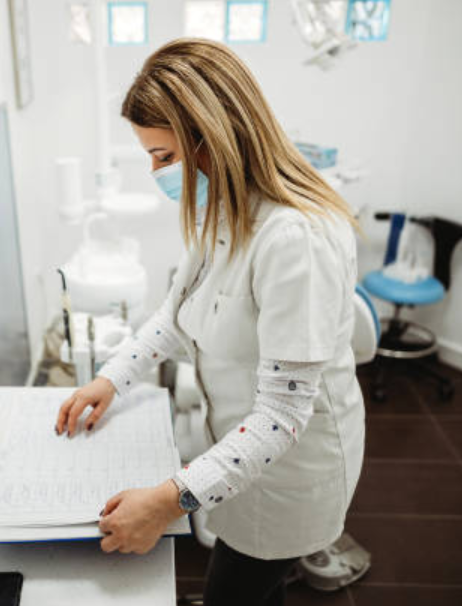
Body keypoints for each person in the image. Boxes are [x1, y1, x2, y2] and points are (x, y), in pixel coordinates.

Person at [55, 38, 365, 606]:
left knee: (236, 588)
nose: (155, 173)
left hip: (290, 474)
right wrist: (110, 378)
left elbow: (280, 415)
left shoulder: (295, 240)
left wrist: (168, 499)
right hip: (241, 451)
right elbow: (176, 317)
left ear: (214, 138)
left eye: (164, 157)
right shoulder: (221, 209)